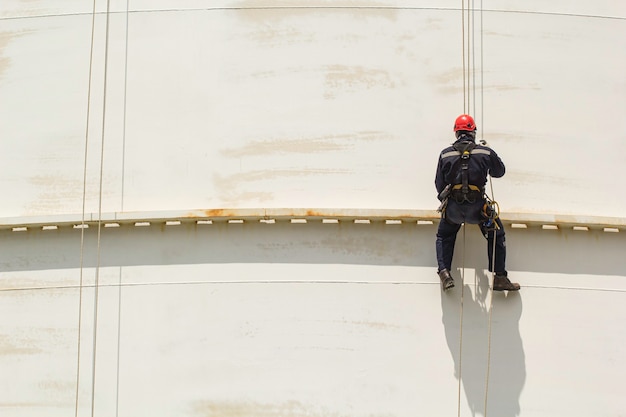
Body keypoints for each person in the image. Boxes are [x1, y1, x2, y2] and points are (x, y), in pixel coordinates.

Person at [434, 114, 520, 292]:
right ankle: (500, 277)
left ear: (456, 132)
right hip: (477, 209)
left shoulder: (445, 154)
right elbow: (499, 172)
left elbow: (439, 184)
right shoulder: (485, 152)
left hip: (453, 210)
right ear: (473, 131)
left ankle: (444, 273)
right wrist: (487, 154)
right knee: (497, 234)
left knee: (444, 236)